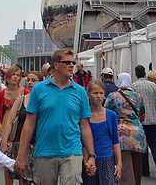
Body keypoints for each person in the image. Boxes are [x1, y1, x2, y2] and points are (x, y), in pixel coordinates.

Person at [14, 48, 97, 185]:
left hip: (72, 151)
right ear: (56, 65)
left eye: (73, 62)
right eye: (67, 62)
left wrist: (91, 156)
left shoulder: (80, 92)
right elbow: (29, 124)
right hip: (45, 152)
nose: (72, 65)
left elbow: (85, 126)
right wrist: (21, 155)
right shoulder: (39, 90)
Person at [0, 70, 42, 185]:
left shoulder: (44, 100)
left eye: (34, 80)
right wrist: (4, 142)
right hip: (20, 142)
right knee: (23, 178)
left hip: (39, 143)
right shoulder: (21, 99)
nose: (30, 83)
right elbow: (9, 121)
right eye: (28, 80)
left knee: (37, 178)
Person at [105, 72, 146, 185]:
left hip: (121, 134)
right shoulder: (138, 96)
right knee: (137, 166)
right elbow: (142, 115)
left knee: (124, 166)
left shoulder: (113, 96)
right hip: (138, 134)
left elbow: (106, 111)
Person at [84, 79, 121, 185]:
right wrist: (85, 162)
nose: (98, 96)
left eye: (101, 93)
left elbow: (115, 141)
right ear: (88, 93)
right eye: (95, 93)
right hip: (89, 161)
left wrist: (119, 164)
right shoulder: (84, 116)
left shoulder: (111, 115)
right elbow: (82, 141)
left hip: (107, 159)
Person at [131, 64, 156, 178]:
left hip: (140, 120)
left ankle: (145, 170)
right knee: (154, 143)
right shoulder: (153, 86)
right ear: (145, 73)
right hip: (152, 120)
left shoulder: (133, 86)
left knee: (143, 145)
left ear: (136, 74)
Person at [0, 63, 27, 135]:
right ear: (8, 76)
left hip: (20, 125)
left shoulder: (25, 92)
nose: (15, 77)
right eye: (13, 74)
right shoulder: (1, 94)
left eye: (18, 75)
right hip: (4, 125)